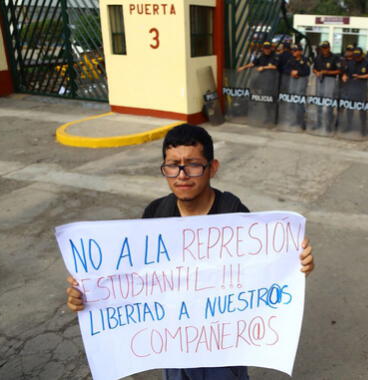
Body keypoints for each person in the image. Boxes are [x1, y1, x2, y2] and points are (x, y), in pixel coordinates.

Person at [66, 125, 315, 380]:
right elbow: (133, 279)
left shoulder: (232, 212)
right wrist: (89, 292)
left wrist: (296, 265)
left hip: (222, 346)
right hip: (173, 343)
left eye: (193, 164)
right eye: (173, 165)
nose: (182, 175)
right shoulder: (156, 213)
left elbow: (262, 271)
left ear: (213, 168)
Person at [237, 41, 279, 126]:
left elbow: (275, 66)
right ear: (263, 49)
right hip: (262, 83)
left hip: (272, 83)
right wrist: (243, 67)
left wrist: (263, 67)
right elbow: (253, 64)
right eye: (265, 48)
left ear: (271, 48)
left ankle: (274, 118)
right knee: (265, 101)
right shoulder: (261, 56)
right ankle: (267, 118)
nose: (267, 50)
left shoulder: (274, 56)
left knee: (271, 100)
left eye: (268, 48)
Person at [340, 47, 368, 137]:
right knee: (349, 108)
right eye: (355, 56)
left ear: (361, 55)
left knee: (362, 109)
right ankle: (348, 126)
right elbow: (345, 73)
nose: (356, 58)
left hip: (362, 89)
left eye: (358, 56)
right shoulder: (350, 63)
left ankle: (363, 128)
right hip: (351, 88)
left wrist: (360, 77)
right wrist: (344, 76)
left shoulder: (367, 63)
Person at [312, 41, 342, 133]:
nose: (324, 49)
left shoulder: (335, 58)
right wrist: (316, 72)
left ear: (329, 48)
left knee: (328, 103)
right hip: (319, 80)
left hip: (330, 80)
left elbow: (339, 71)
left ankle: (328, 125)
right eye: (323, 48)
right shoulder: (318, 57)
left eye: (326, 48)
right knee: (319, 103)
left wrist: (326, 72)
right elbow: (314, 68)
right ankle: (318, 123)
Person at [287, 44, 311, 128]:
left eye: (295, 50)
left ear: (300, 51)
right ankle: (293, 120)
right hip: (293, 81)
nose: (293, 52)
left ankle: (301, 121)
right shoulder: (291, 59)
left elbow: (307, 71)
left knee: (299, 101)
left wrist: (298, 73)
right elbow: (286, 68)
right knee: (292, 101)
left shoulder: (305, 59)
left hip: (301, 81)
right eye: (292, 50)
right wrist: (291, 72)